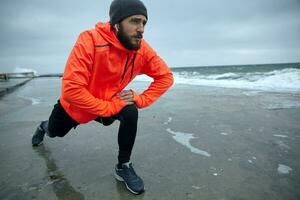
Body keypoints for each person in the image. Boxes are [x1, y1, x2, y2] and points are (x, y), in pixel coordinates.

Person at [31, 0, 173, 195]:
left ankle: (123, 166)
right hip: (76, 108)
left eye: (144, 23)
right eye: (134, 21)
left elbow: (165, 77)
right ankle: (43, 126)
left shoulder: (141, 48)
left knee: (130, 109)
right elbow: (71, 90)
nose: (141, 29)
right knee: (54, 132)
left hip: (109, 102)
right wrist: (109, 108)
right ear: (116, 23)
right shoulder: (89, 39)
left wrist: (141, 99)